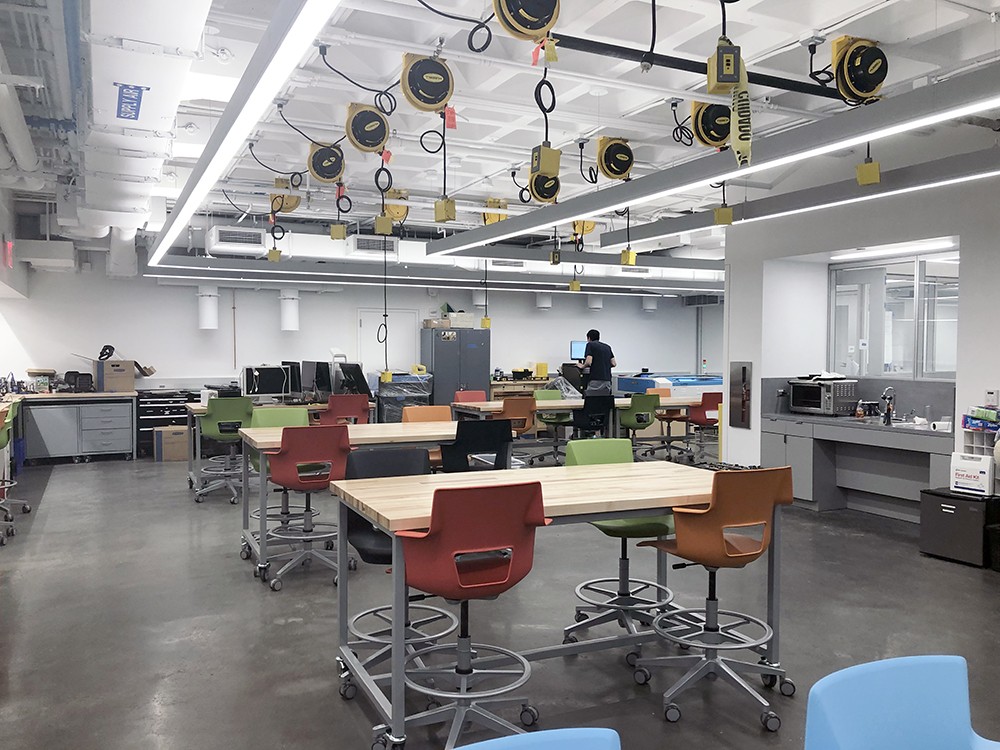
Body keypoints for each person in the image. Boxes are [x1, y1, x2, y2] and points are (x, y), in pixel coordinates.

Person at [578, 329, 616, 397]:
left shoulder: (590, 344)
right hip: (607, 380)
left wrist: (582, 366)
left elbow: (589, 362)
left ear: (589, 338)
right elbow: (614, 363)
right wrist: (603, 365)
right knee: (603, 401)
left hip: (596, 379)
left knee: (591, 400)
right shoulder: (607, 347)